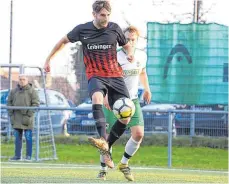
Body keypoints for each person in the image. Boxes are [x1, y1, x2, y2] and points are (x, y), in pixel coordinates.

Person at [43, 1, 134, 168]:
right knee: (97, 98)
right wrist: (49, 59)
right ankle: (102, 139)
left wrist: (130, 54)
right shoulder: (82, 29)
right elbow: (62, 41)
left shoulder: (114, 28)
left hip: (115, 76)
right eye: (102, 15)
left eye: (107, 15)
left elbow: (127, 45)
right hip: (96, 75)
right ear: (94, 14)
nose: (105, 18)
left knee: (126, 116)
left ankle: (106, 147)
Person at [97, 26, 151, 181]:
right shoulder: (114, 56)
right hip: (114, 100)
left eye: (133, 39)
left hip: (132, 101)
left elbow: (142, 72)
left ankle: (124, 164)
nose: (130, 42)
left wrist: (147, 89)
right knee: (107, 137)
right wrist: (105, 95)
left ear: (137, 40)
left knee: (139, 134)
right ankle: (103, 169)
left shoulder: (142, 55)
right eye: (127, 39)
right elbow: (104, 77)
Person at [7, 75, 40, 161]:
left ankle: (28, 156)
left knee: (28, 137)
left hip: (27, 119)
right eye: (20, 79)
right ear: (18, 80)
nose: (22, 81)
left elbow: (35, 104)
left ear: (27, 80)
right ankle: (17, 156)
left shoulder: (32, 91)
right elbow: (9, 103)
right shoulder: (13, 91)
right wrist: (11, 114)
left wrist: (28, 115)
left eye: (23, 79)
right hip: (16, 118)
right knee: (17, 138)